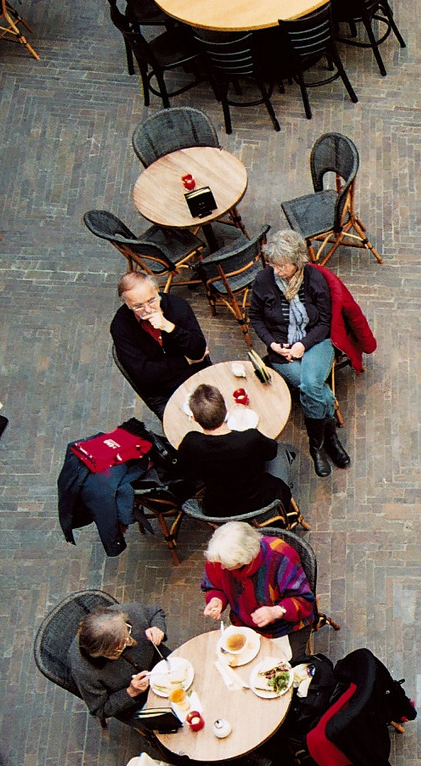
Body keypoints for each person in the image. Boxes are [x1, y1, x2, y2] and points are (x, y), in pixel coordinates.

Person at [248, 229, 349, 478]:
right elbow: (255, 318)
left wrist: (303, 344)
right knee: (317, 392)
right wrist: (272, 344)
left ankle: (317, 446)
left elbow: (324, 322)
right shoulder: (263, 280)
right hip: (281, 352)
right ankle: (328, 442)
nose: (277, 271)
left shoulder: (314, 280)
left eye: (282, 266)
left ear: (297, 262)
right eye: (274, 265)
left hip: (315, 343)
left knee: (310, 384)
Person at [177, 383, 301, 524]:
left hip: (219, 509)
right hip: (260, 500)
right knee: (281, 450)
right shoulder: (249, 438)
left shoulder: (190, 443)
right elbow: (271, 452)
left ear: (194, 419)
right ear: (226, 410)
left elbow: (185, 470)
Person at [110, 271, 209, 418]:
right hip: (163, 391)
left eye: (151, 301)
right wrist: (185, 361)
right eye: (138, 306)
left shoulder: (178, 306)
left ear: (157, 291)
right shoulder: (121, 327)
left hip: (196, 374)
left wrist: (170, 327)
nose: (148, 310)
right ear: (128, 305)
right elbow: (144, 375)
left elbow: (198, 351)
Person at [200, 520, 316, 645]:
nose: (221, 567)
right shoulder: (219, 557)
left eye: (227, 564)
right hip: (243, 624)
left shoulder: (280, 556)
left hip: (285, 628)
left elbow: (304, 601)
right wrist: (216, 600)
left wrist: (275, 611)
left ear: (245, 559)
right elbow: (213, 586)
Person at [68, 603, 169, 726]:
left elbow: (156, 612)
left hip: (162, 663)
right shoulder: (84, 670)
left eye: (127, 630)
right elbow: (100, 709)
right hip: (137, 701)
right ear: (104, 651)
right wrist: (131, 692)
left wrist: (157, 628)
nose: (128, 640)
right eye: (121, 643)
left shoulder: (121, 615)